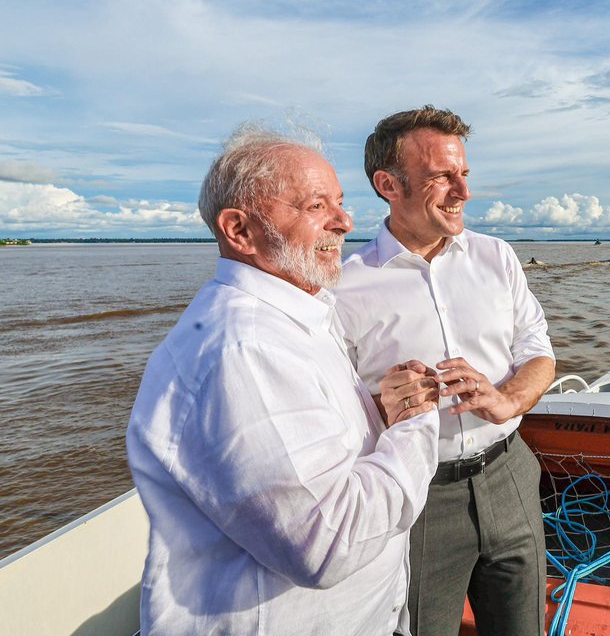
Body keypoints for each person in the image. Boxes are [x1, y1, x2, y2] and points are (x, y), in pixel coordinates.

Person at [126, 123, 440, 635]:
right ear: (240, 230)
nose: (344, 221)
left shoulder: (299, 317)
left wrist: (377, 413)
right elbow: (327, 544)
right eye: (316, 206)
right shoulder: (246, 348)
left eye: (340, 203)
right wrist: (415, 425)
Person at [336, 106, 556, 636]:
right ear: (388, 184)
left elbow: (539, 353)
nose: (463, 192)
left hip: (511, 474)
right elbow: (330, 410)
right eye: (442, 177)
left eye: (464, 175)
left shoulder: (497, 257)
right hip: (418, 498)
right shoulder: (344, 285)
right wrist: (382, 408)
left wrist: (507, 398)